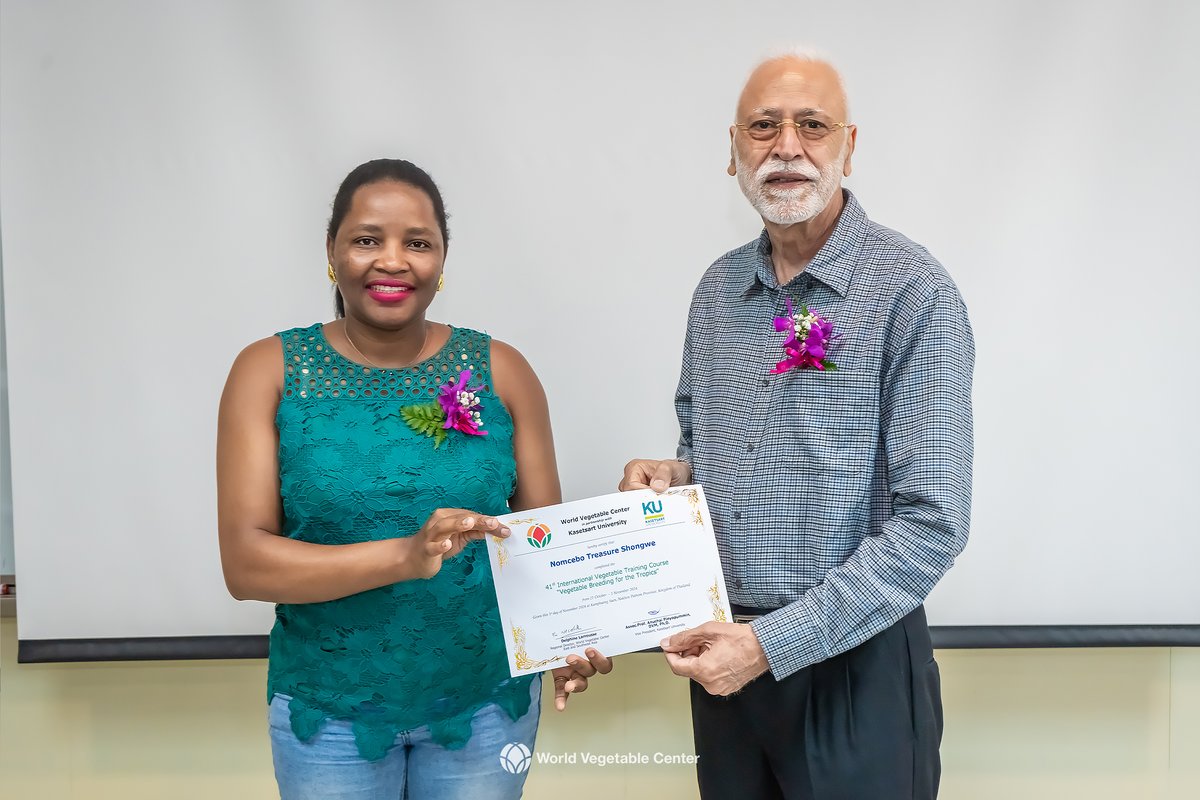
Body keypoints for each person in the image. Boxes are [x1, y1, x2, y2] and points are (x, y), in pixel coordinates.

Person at [620, 53, 974, 800]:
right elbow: (703, 442)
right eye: (763, 127)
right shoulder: (718, 290)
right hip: (727, 665)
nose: (787, 146)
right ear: (733, 150)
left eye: (812, 126)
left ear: (849, 146)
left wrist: (769, 645)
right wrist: (675, 479)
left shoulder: (914, 291)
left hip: (855, 669)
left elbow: (932, 526)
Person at [217, 158, 611, 799]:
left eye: (417, 243)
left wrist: (572, 638)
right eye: (367, 239)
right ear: (331, 251)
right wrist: (404, 556)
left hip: (485, 702)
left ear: (442, 260)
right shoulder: (269, 372)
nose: (393, 260)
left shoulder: (503, 372)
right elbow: (246, 564)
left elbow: (545, 552)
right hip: (329, 708)